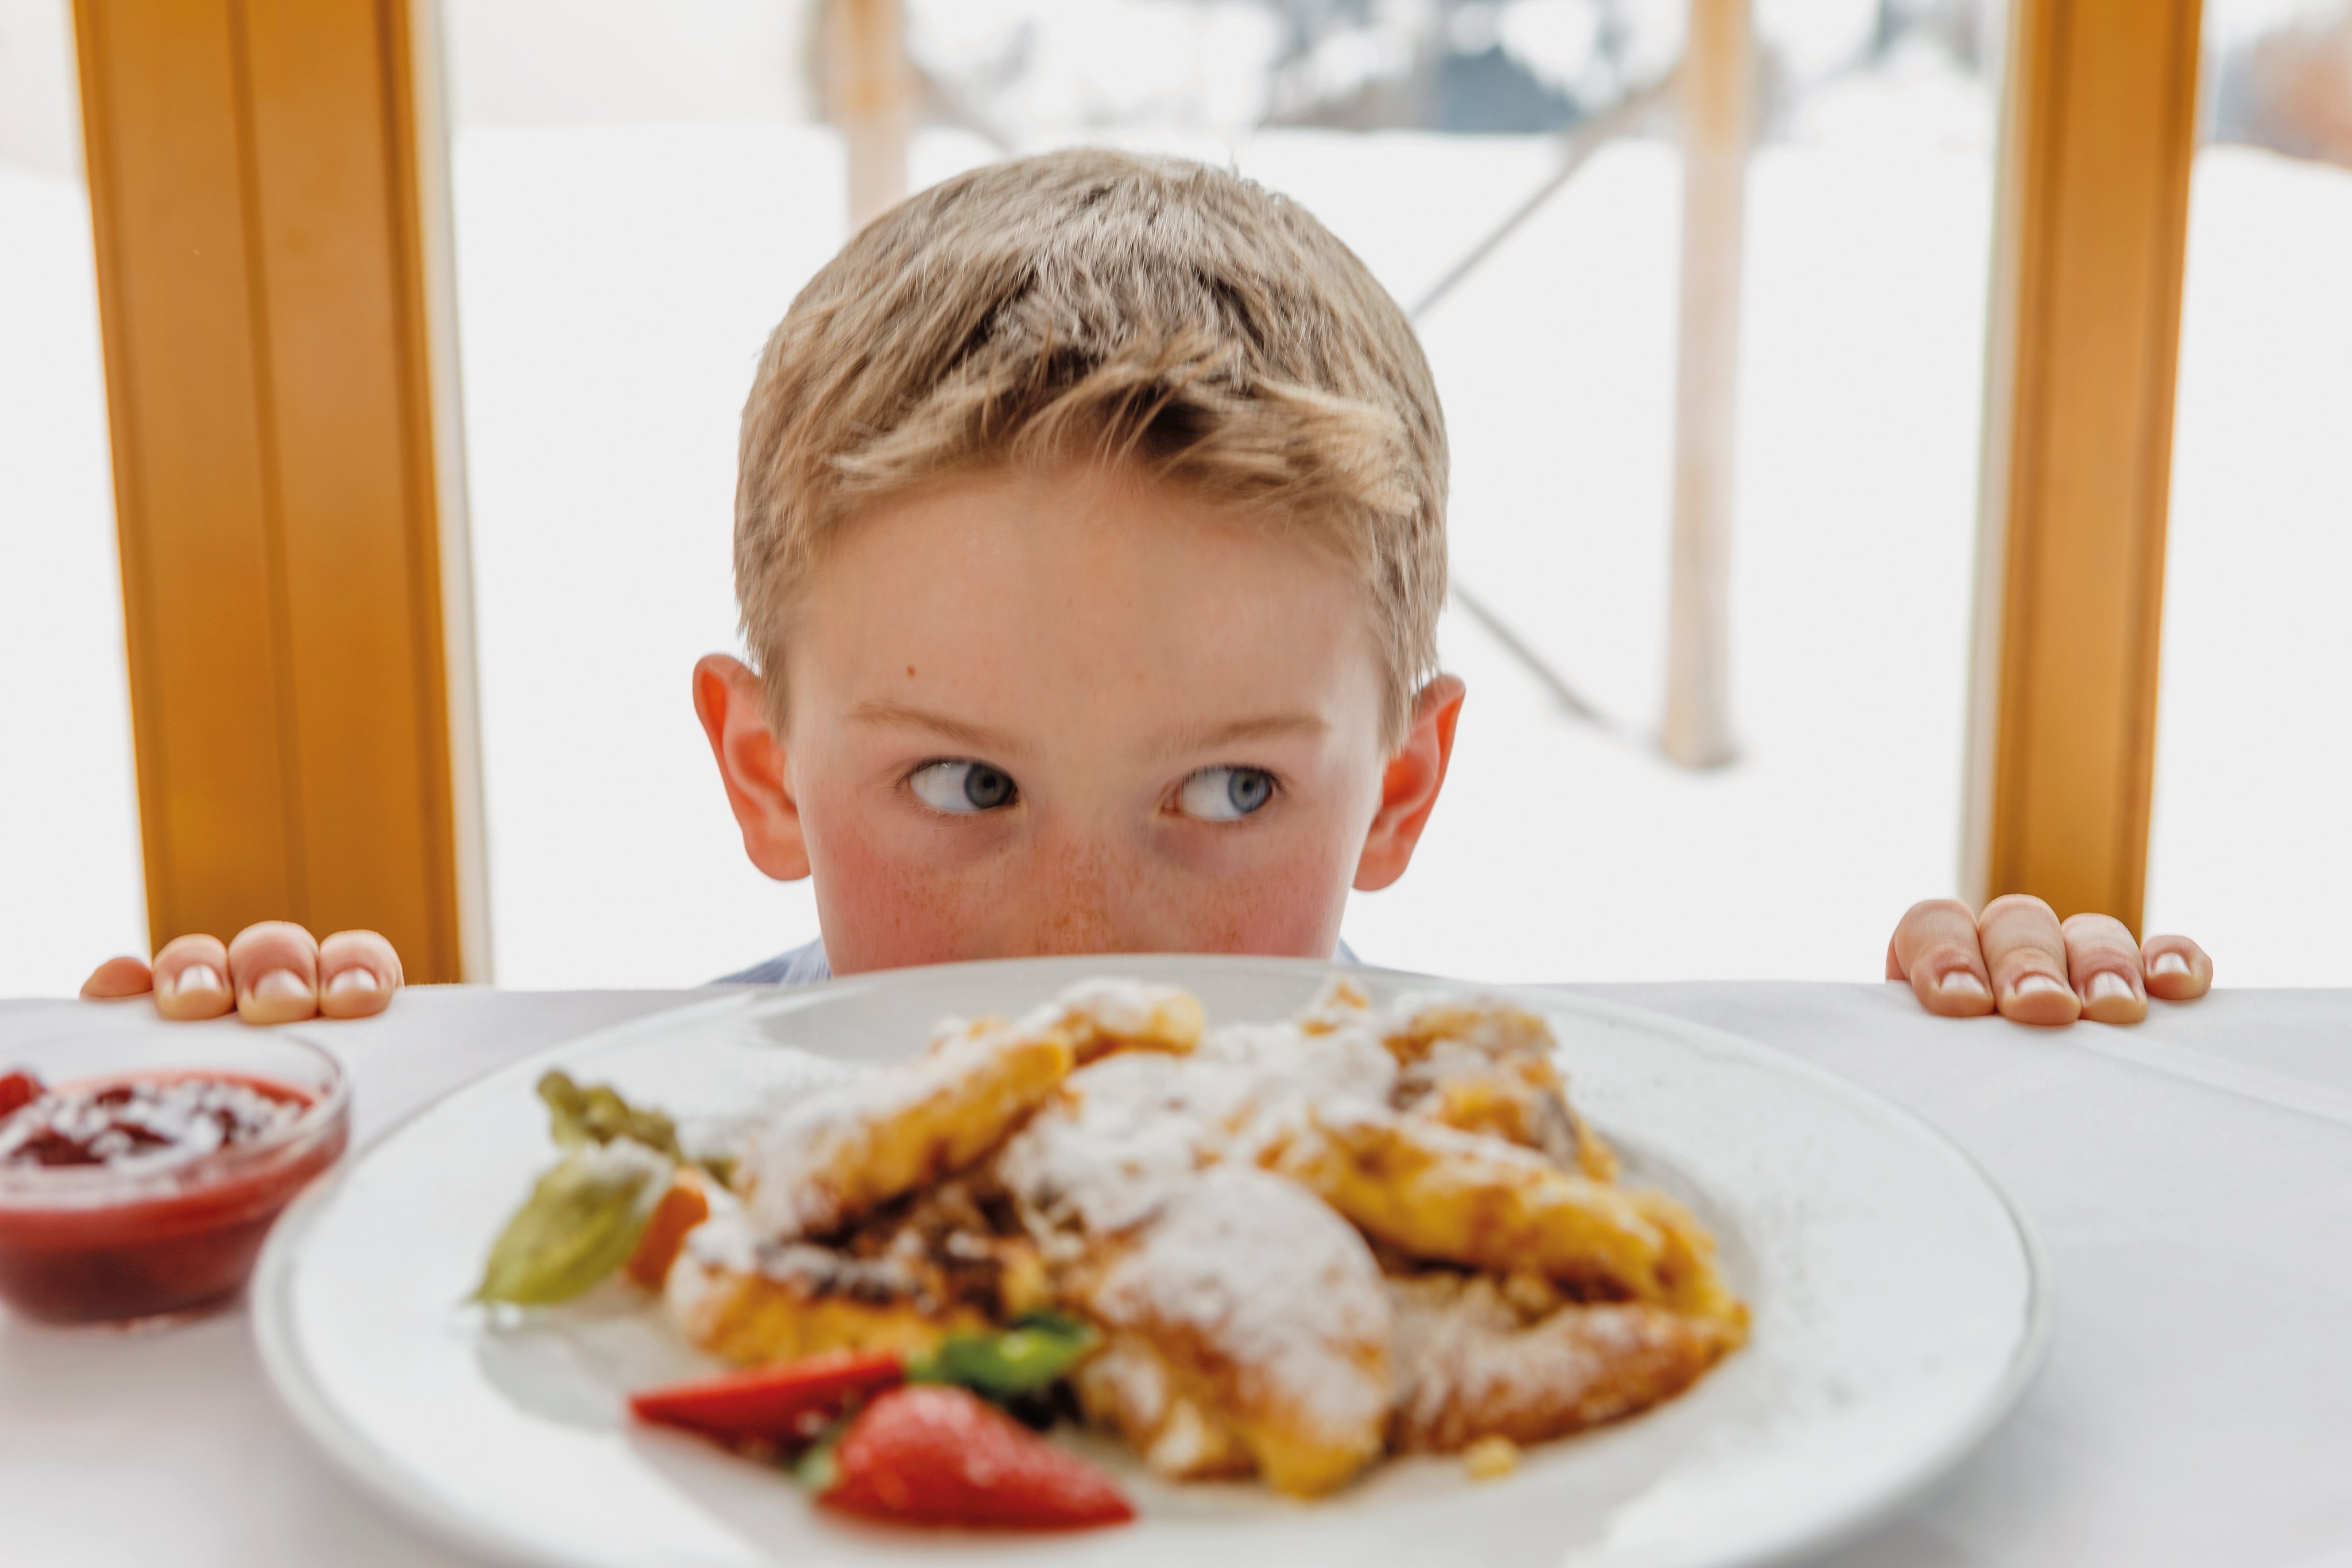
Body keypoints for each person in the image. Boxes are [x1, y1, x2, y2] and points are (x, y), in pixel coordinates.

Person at [76, 150, 2211, 1032]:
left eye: (1229, 796)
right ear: (759, 765)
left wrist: (2036, 1103)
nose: (1093, 956)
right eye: (968, 792)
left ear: (1395, 785)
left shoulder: (1529, 1177)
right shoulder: (615, 1175)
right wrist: (282, 1135)